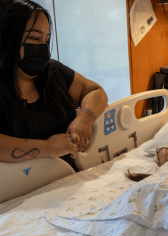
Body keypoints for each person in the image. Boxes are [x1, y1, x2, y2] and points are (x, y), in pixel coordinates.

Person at [0, 0, 108, 171]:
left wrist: (85, 118)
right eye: (34, 38)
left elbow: (95, 91)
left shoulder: (54, 73)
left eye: (47, 39)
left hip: (67, 181)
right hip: (21, 192)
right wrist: (47, 147)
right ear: (8, 39)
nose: (43, 47)